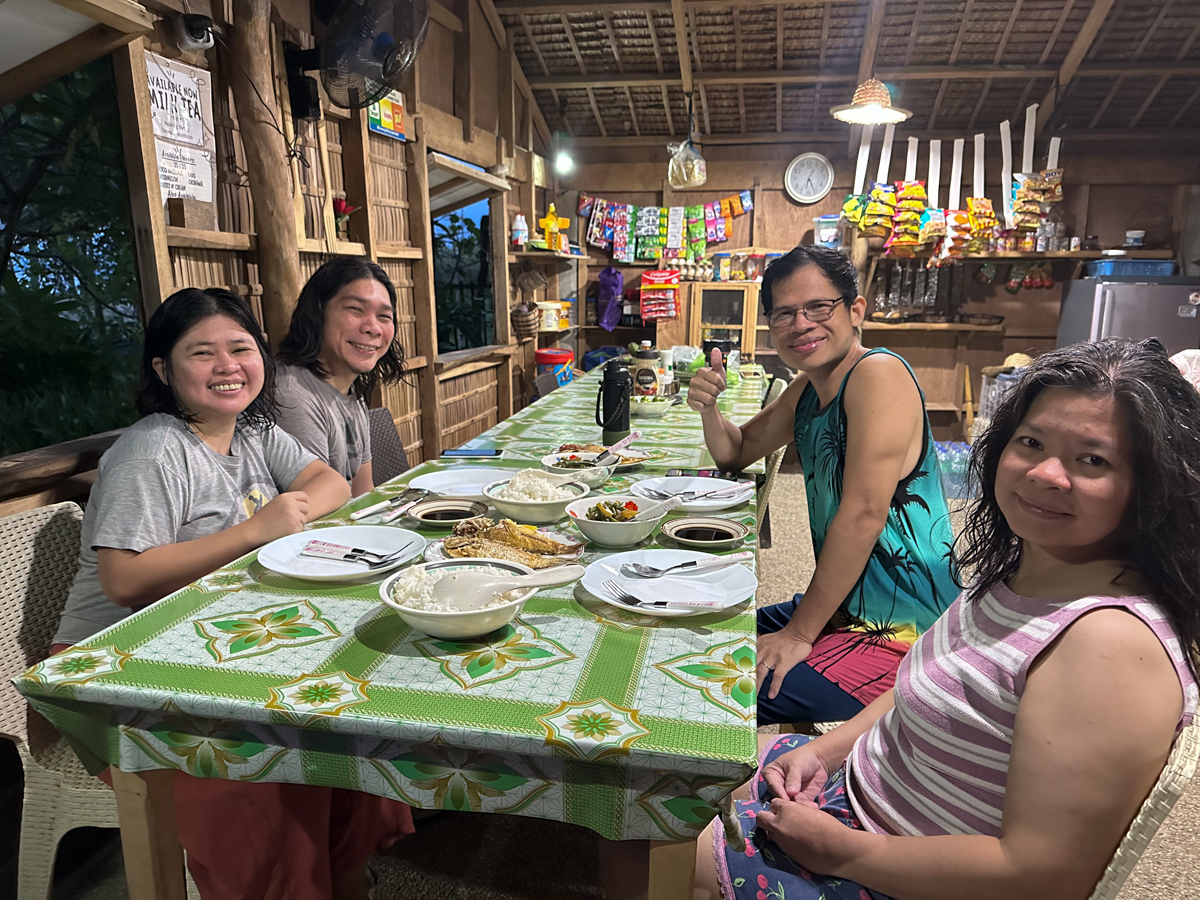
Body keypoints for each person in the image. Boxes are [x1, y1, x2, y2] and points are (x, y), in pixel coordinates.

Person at [694, 338, 1200, 900]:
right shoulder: (1024, 572)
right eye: (1030, 442)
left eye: (1093, 459)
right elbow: (922, 682)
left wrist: (846, 851)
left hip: (891, 867)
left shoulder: (1110, 644)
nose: (1045, 473)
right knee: (691, 751)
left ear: (1155, 484)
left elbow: (1045, 876)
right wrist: (823, 750)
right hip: (857, 791)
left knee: (652, 834)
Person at [49, 287, 413, 900]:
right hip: (110, 677)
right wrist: (254, 531)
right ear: (163, 370)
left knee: (343, 727)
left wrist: (287, 511)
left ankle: (345, 879)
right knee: (260, 772)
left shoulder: (251, 429)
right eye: (202, 353)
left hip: (213, 642)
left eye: (241, 348)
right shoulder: (153, 450)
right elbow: (124, 581)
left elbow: (330, 484)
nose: (227, 367)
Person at [687, 246, 959, 725]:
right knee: (694, 633)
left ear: (855, 311)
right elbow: (735, 451)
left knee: (717, 689)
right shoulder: (808, 391)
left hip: (903, 630)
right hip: (846, 608)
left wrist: (797, 634)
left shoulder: (878, 374)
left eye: (818, 307)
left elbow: (863, 514)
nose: (801, 324)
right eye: (785, 313)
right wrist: (710, 408)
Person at [275, 257, 406, 493]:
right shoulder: (292, 395)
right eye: (355, 309)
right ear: (317, 313)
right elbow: (311, 516)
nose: (373, 328)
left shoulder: (353, 391)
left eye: (384, 317)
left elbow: (363, 495)